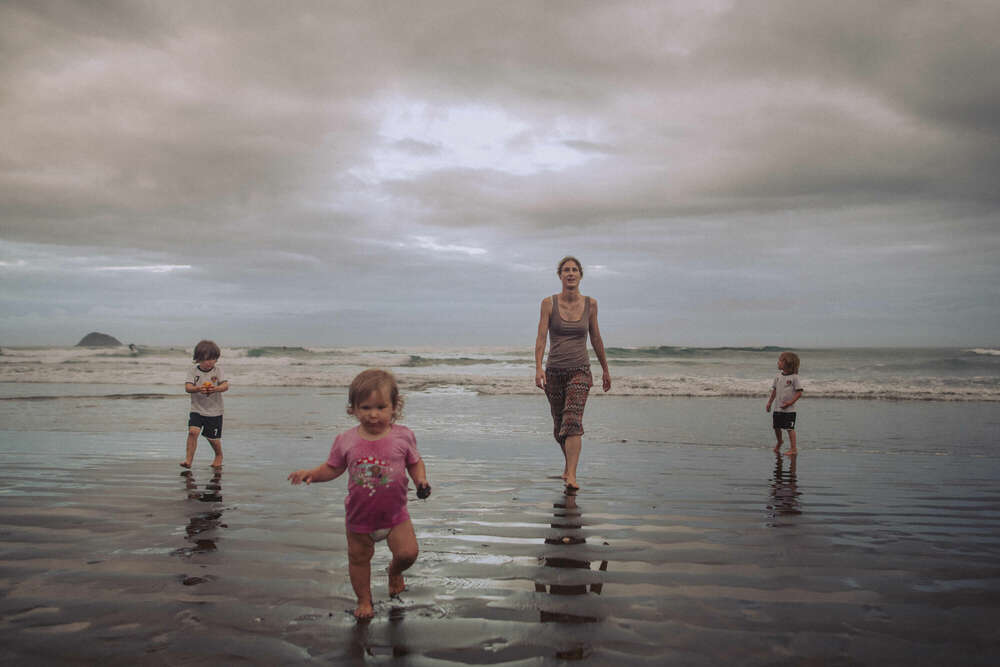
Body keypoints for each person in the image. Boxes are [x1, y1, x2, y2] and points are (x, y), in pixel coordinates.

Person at [288, 369, 431, 620]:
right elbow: (332, 468)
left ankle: (394, 571)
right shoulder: (346, 440)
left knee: (408, 553)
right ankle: (365, 600)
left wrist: (420, 479)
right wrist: (311, 473)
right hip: (359, 517)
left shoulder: (403, 435)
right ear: (352, 408)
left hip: (395, 515)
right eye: (365, 407)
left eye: (380, 407)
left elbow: (415, 462)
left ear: (394, 407)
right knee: (358, 559)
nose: (373, 414)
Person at [534, 256, 611, 492]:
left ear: (580, 275)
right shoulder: (548, 303)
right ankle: (568, 468)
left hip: (580, 370)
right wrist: (538, 367)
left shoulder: (591, 304)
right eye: (566, 270)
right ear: (560, 275)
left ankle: (572, 475)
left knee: (572, 420)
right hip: (554, 371)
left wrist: (605, 369)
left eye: (574, 270)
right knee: (560, 427)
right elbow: (541, 337)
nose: (570, 273)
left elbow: (596, 337)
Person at [181, 340, 229, 469]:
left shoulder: (218, 371)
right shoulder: (193, 371)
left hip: (215, 411)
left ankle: (219, 455)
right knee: (193, 432)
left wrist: (216, 388)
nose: (209, 362)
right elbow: (188, 387)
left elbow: (225, 385)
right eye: (205, 359)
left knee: (212, 438)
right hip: (197, 409)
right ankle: (188, 460)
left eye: (212, 359)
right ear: (198, 359)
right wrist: (198, 389)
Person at [766, 351, 803, 456]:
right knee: (776, 427)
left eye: (780, 361)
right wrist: (769, 403)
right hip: (778, 408)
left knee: (790, 428)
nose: (778, 362)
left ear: (787, 363)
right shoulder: (777, 377)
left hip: (789, 410)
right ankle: (779, 442)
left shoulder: (794, 377)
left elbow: (799, 393)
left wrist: (790, 403)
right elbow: (774, 391)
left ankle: (793, 448)